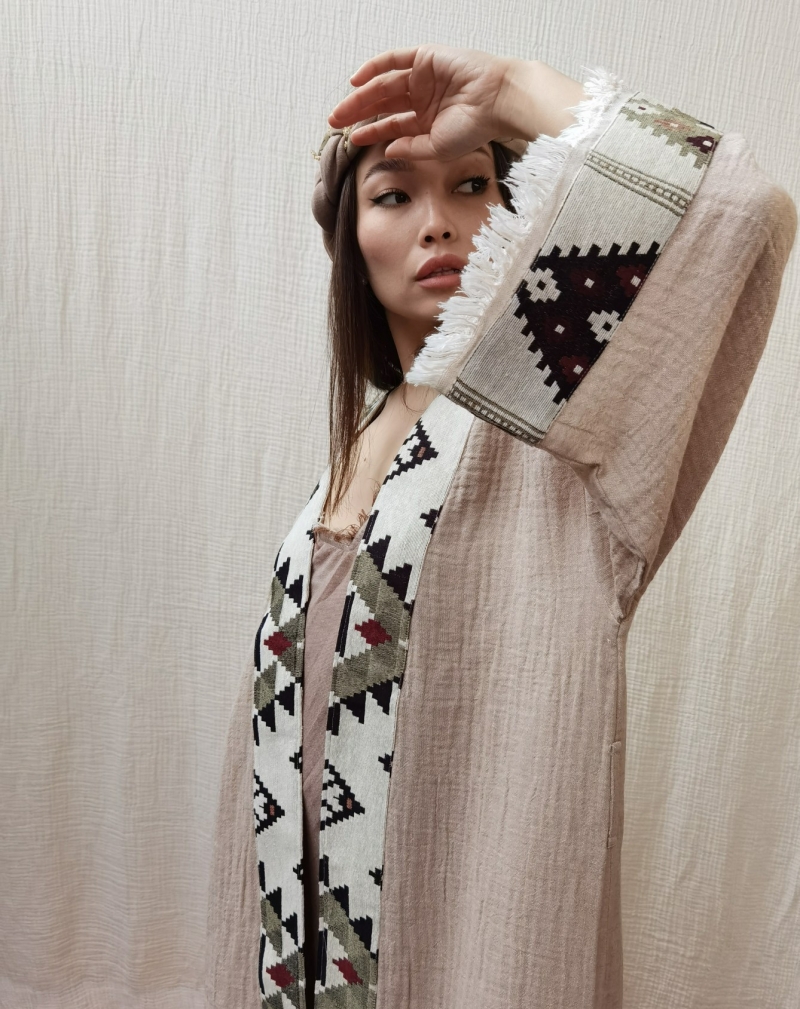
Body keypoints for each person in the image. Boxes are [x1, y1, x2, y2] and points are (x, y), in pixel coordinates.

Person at [205, 46, 796, 1009]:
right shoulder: (349, 458)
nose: (438, 220)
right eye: (393, 195)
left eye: (473, 184)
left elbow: (743, 210)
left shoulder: (544, 411)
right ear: (350, 240)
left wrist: (513, 92)